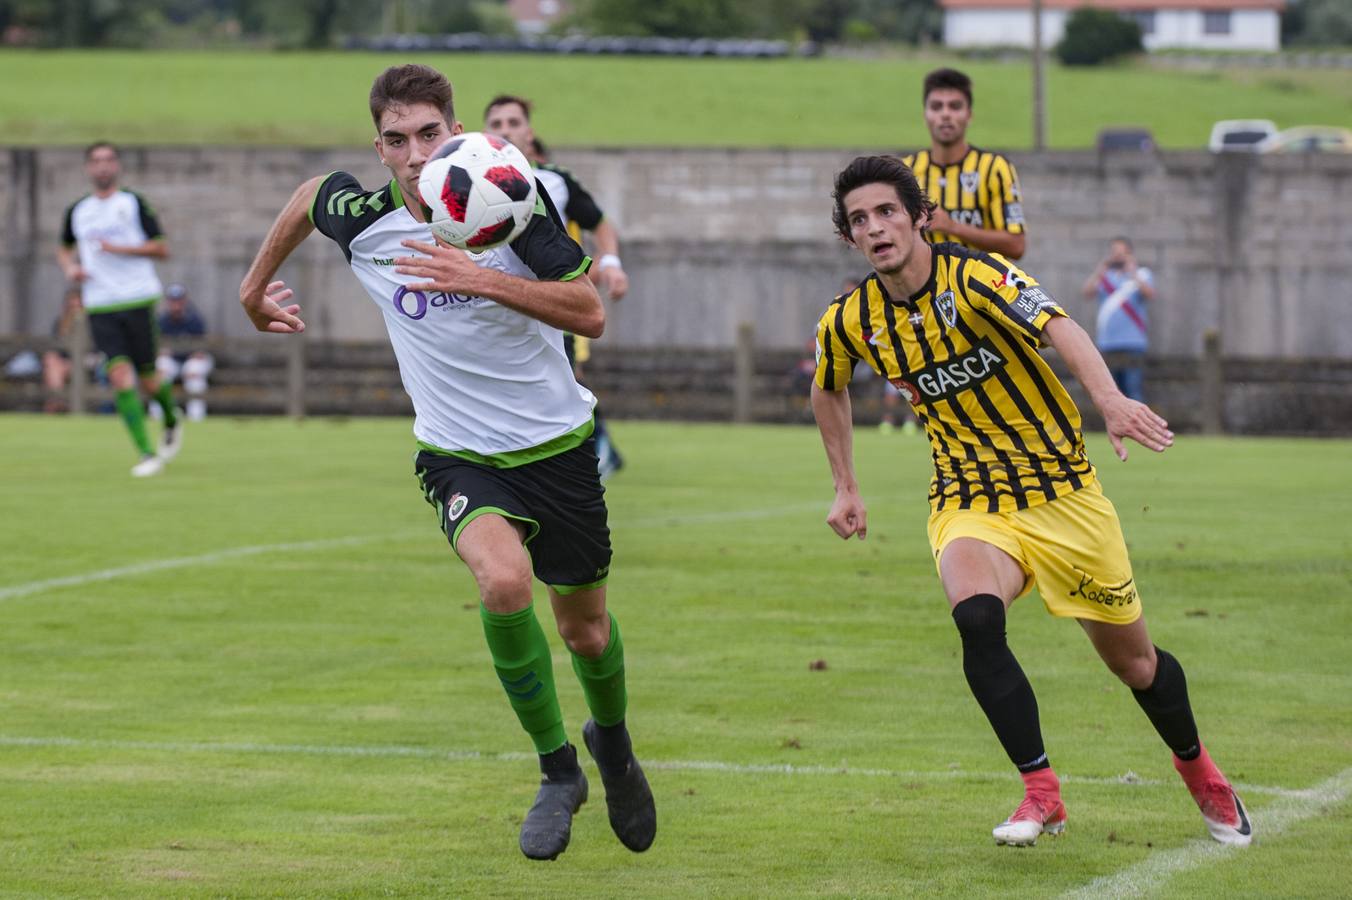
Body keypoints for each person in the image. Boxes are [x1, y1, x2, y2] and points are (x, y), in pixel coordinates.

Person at [238, 64, 655, 861]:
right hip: (458, 456)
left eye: (430, 133)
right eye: (397, 140)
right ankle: (557, 769)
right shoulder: (367, 220)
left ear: (455, 131)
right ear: (382, 148)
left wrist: (480, 279)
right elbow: (309, 194)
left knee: (587, 632)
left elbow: (590, 312)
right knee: (502, 583)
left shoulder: (513, 204)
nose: (415, 152)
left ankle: (615, 744)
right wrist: (254, 290)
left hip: (560, 451)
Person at [811, 156, 1251, 848]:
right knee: (977, 620)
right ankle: (1040, 791)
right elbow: (826, 385)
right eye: (860, 220)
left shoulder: (978, 276)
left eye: (887, 211)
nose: (875, 228)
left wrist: (1108, 400)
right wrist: (845, 483)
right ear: (849, 238)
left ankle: (1199, 770)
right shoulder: (851, 318)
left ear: (920, 217)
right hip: (969, 499)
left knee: (1136, 665)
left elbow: (1059, 324)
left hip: (1062, 494)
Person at [483, 94, 628, 478]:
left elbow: (601, 223)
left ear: (529, 134)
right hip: (490, 305)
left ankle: (589, 457)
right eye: (496, 124)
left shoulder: (555, 181)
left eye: (513, 123)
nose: (505, 131)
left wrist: (609, 263)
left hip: (547, 304)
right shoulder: (465, 181)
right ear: (484, 134)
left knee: (562, 382)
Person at [57, 141, 183, 477]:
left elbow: (161, 248)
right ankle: (146, 454)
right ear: (88, 167)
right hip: (99, 304)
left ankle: (171, 417)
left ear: (117, 166)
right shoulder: (78, 211)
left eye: (108, 160)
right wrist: (71, 269)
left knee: (150, 380)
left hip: (138, 299)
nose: (102, 166)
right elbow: (64, 249)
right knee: (119, 376)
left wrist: (119, 248)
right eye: (96, 160)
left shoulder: (132, 203)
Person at [902, 68, 1026, 260]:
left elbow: (1016, 245)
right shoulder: (906, 171)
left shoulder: (995, 168)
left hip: (982, 287)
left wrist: (953, 227)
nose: (945, 114)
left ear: (969, 114)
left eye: (955, 106)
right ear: (925, 114)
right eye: (936, 106)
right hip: (926, 288)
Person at [1082, 237, 1154, 403]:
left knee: (1133, 390)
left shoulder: (1142, 275)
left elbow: (1149, 294)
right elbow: (1087, 292)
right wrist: (1100, 270)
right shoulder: (1106, 277)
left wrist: (1133, 271)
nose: (1118, 256)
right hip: (1108, 342)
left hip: (1133, 343)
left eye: (1123, 253)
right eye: (1115, 252)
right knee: (1112, 393)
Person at [156, 283, 215, 421]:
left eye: (179, 300)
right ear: (168, 302)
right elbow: (157, 346)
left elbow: (201, 348)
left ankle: (196, 418)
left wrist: (195, 352)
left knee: (194, 370)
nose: (176, 304)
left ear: (184, 301)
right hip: (173, 361)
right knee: (160, 369)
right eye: (173, 300)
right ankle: (159, 417)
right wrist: (162, 351)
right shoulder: (162, 321)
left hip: (192, 359)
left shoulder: (194, 319)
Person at [41, 285, 85, 413]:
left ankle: (55, 404)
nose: (74, 308)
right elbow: (57, 348)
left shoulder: (93, 322)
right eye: (72, 305)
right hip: (64, 363)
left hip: (86, 361)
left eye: (78, 305)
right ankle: (57, 401)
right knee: (52, 360)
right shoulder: (59, 323)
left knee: (57, 366)